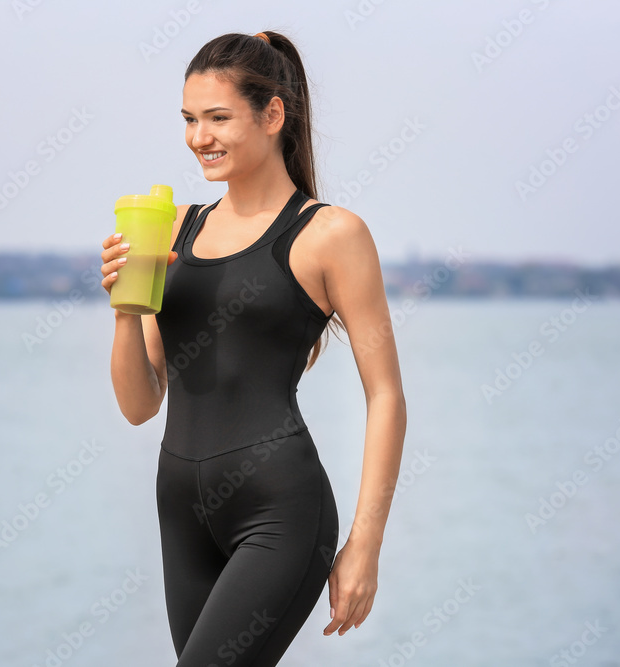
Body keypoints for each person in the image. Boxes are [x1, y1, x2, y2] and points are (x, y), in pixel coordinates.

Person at [99, 30, 407, 666]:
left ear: (272, 115)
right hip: (180, 512)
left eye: (217, 118)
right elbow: (138, 405)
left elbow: (386, 394)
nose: (197, 138)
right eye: (188, 119)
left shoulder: (331, 234)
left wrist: (365, 544)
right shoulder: (174, 227)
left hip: (278, 512)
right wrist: (127, 312)